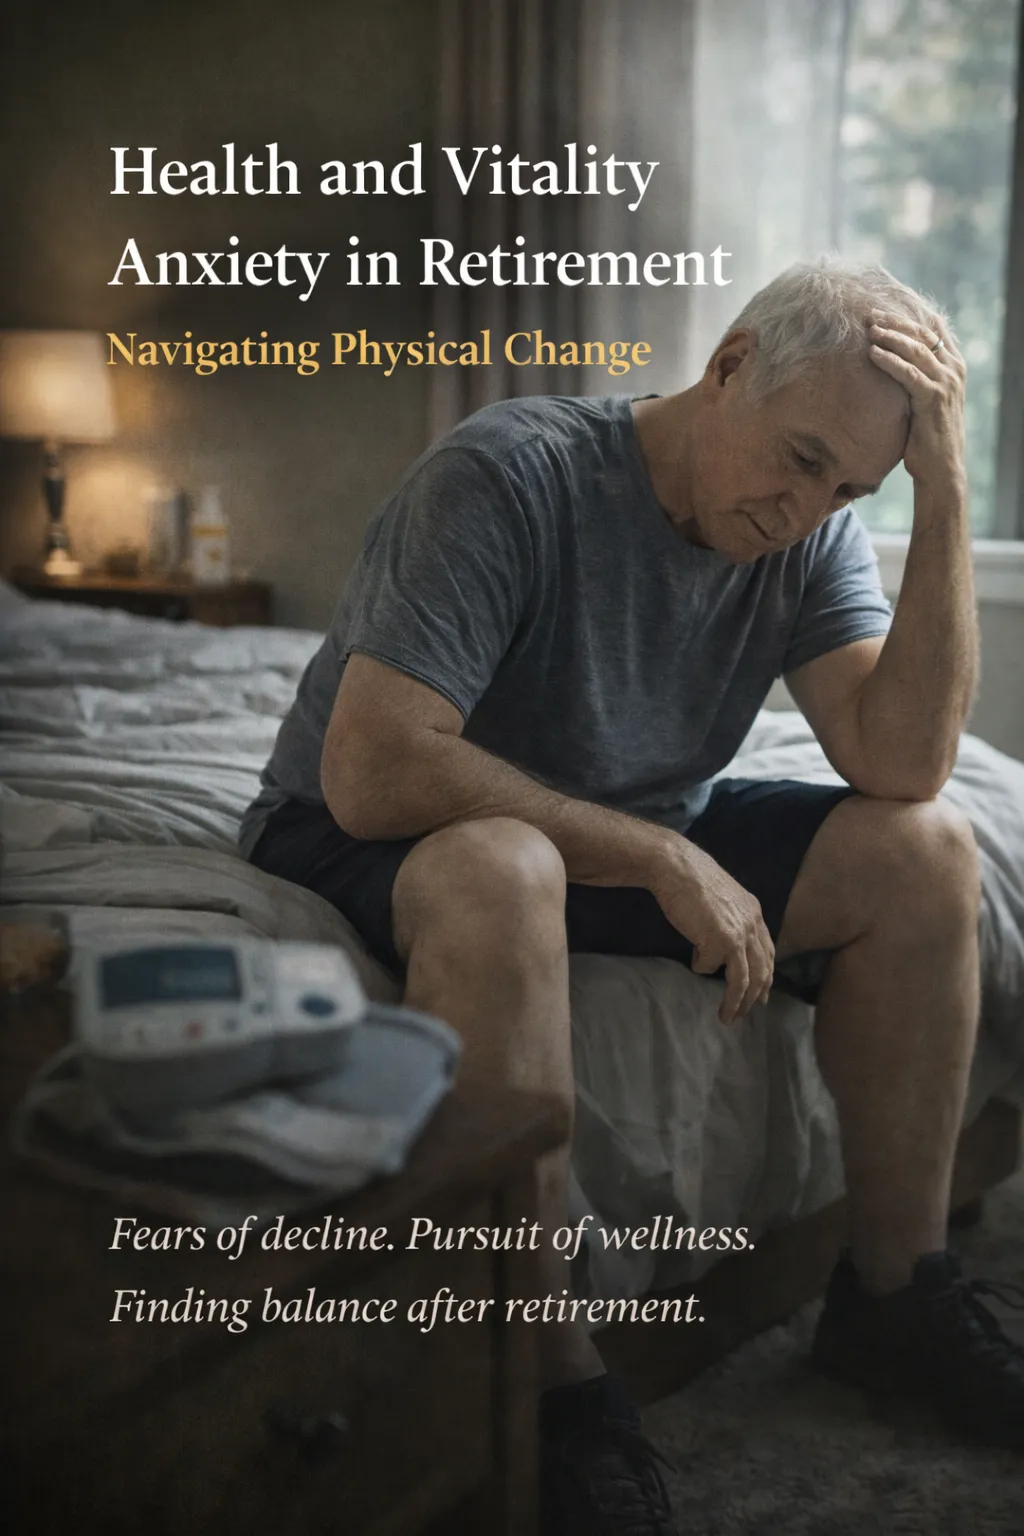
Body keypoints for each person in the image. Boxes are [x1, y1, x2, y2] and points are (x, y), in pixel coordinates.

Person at [241, 257, 1024, 1536]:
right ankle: (549, 1387)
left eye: (849, 486)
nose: (807, 504)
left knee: (924, 849)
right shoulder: (509, 473)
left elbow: (902, 761)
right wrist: (660, 858)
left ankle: (895, 1296)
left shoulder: (811, 524)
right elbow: (376, 769)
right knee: (510, 863)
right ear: (725, 368)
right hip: (369, 830)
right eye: (802, 456)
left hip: (615, 824)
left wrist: (939, 498)